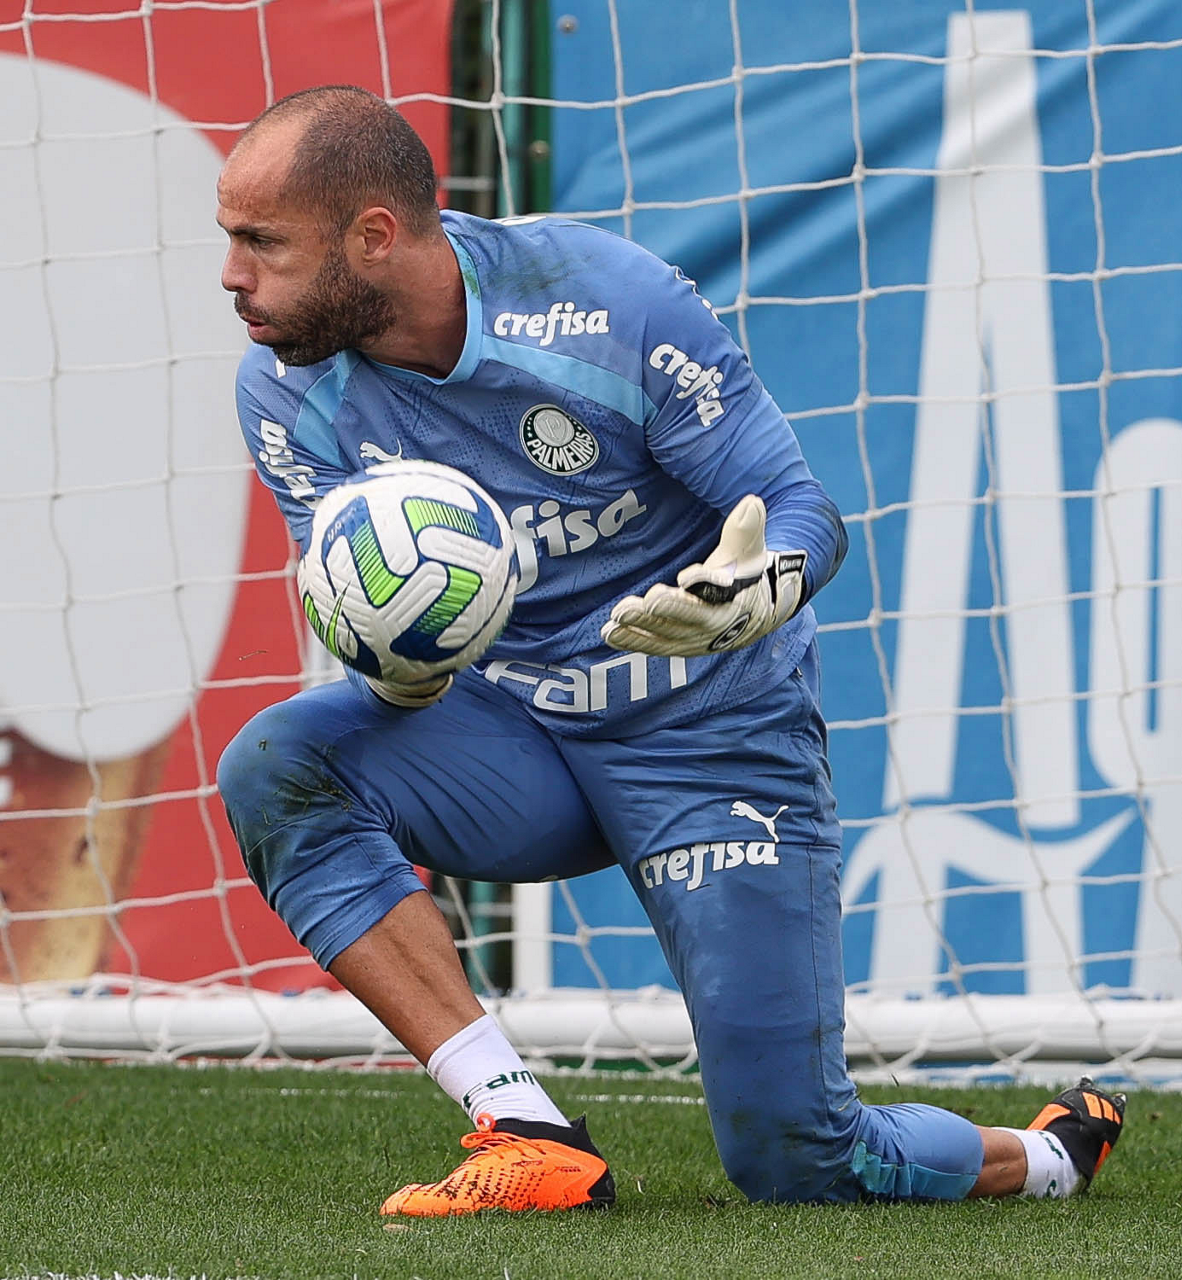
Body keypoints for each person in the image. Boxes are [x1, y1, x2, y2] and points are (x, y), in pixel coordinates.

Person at [214, 85, 1126, 1215]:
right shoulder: (282, 391)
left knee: (798, 1160)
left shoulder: (603, 302)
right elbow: (366, 618)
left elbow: (800, 508)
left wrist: (757, 591)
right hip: (517, 735)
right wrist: (401, 665)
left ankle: (1047, 1156)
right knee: (277, 764)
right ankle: (524, 1127)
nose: (233, 275)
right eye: (231, 240)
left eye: (262, 242)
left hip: (709, 735)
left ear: (373, 236)